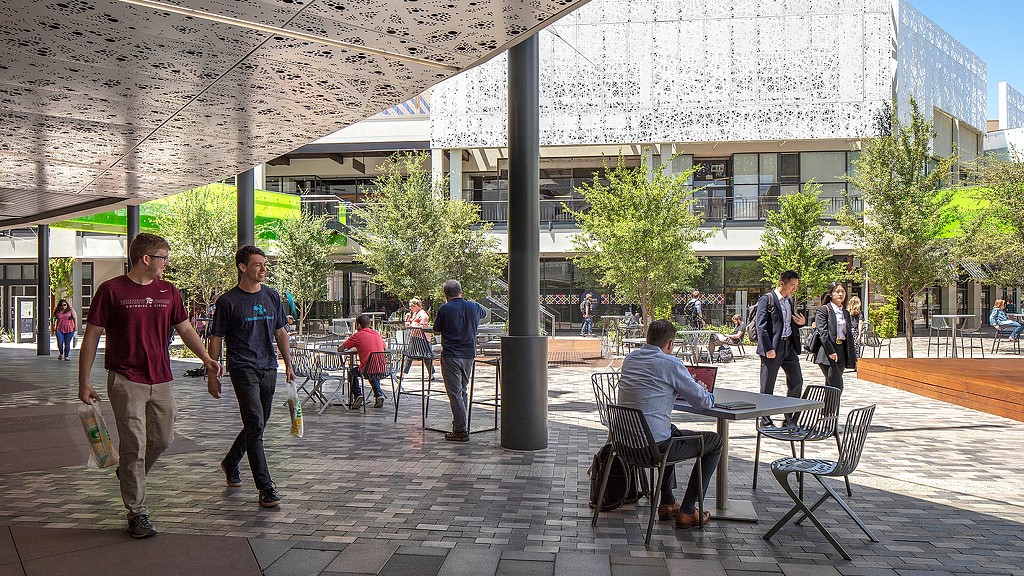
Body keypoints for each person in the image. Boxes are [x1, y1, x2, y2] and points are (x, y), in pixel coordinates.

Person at [77, 233, 222, 539]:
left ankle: (129, 472)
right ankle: (137, 512)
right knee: (135, 445)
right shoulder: (111, 290)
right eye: (163, 258)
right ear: (146, 258)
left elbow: (184, 329)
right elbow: (91, 336)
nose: (166, 264)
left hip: (161, 377)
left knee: (164, 439)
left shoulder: (168, 291)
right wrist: (84, 381)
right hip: (125, 378)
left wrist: (207, 358)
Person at [207, 245, 295, 508]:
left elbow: (280, 332)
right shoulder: (227, 301)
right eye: (257, 264)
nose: (263, 268)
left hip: (268, 366)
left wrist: (288, 364)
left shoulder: (271, 296)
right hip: (242, 367)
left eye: (264, 264)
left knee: (259, 423)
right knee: (255, 422)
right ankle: (265, 487)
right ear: (242, 267)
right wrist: (213, 371)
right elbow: (216, 338)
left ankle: (231, 461)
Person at [616, 319, 722, 529]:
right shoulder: (671, 364)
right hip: (651, 448)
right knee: (715, 441)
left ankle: (667, 503)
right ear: (670, 344)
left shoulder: (630, 359)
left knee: (671, 431)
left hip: (624, 445)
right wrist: (703, 391)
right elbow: (702, 401)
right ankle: (688, 511)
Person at [433, 280, 486, 442]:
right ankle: (459, 425)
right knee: (462, 390)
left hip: (451, 355)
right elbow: (483, 314)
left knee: (455, 393)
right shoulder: (474, 307)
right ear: (460, 292)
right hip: (469, 354)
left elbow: (436, 328)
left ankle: (460, 430)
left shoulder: (444, 308)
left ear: (446, 295)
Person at [755, 270, 806, 427]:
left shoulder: (789, 301)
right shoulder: (767, 299)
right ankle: (765, 421)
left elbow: (788, 323)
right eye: (792, 285)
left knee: (797, 382)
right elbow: (761, 326)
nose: (794, 289)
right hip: (773, 348)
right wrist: (768, 348)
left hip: (788, 346)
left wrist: (801, 323)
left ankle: (790, 419)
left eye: (796, 286)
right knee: (768, 385)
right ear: (782, 283)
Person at [814, 282, 857, 391]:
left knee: (830, 387)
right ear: (830, 294)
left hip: (841, 351)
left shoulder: (845, 312)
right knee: (837, 386)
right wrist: (831, 351)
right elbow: (823, 333)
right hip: (827, 352)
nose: (840, 294)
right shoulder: (823, 310)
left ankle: (828, 408)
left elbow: (848, 336)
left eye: (843, 292)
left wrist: (852, 355)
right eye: (837, 292)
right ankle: (833, 408)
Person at [340, 314, 388, 409]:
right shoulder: (376, 333)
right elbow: (385, 347)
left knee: (352, 373)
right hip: (382, 368)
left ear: (358, 325)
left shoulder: (357, 335)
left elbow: (340, 349)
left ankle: (358, 395)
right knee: (373, 371)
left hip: (367, 369)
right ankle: (379, 395)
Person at [402, 297, 435, 380]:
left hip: (422, 338)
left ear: (417, 306)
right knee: (410, 354)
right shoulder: (414, 314)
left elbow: (423, 326)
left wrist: (411, 325)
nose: (411, 308)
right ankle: (403, 373)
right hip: (415, 337)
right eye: (410, 306)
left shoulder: (423, 315)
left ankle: (431, 374)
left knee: (426, 356)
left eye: (412, 306)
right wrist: (408, 320)